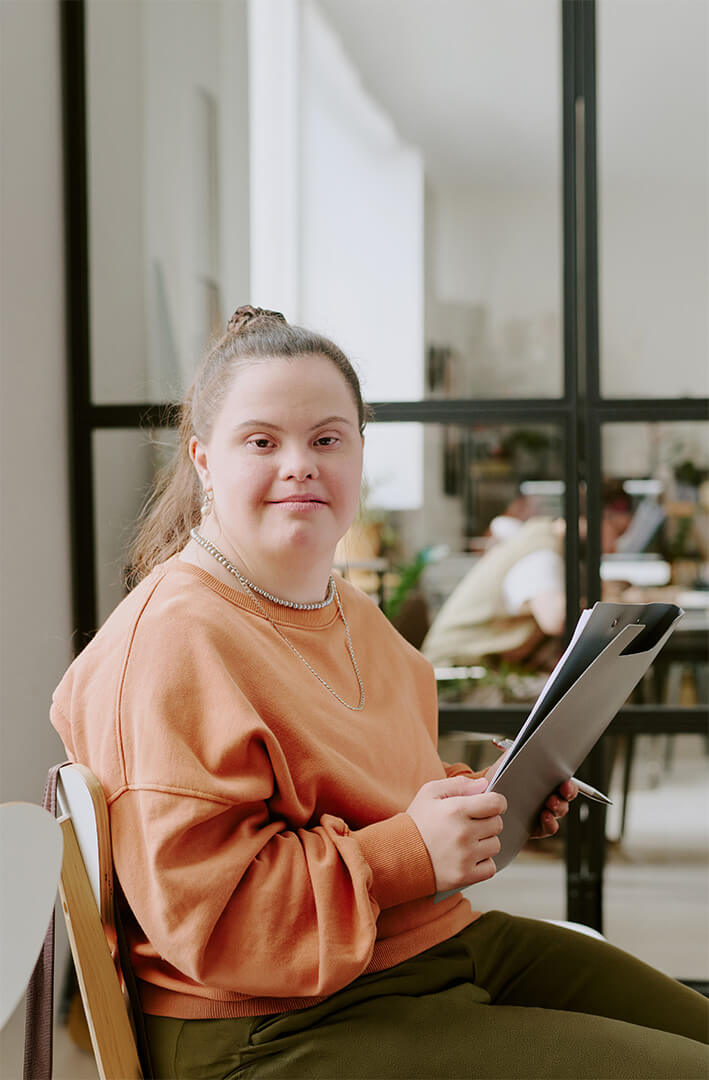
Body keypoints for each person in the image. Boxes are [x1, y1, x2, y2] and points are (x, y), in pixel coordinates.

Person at [51, 307, 708, 1079]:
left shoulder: (353, 616)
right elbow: (217, 924)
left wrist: (495, 799)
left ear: (360, 452)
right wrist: (411, 852)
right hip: (266, 1026)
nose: (299, 463)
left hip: (420, 948)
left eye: (327, 438)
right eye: (261, 441)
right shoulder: (169, 644)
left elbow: (380, 799)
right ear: (203, 460)